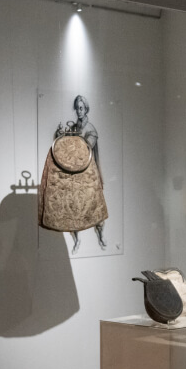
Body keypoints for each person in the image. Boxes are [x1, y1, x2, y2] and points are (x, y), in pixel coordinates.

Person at [68, 95, 106, 253]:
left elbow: (86, 148)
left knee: (95, 207)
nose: (79, 111)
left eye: (81, 108)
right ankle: (76, 240)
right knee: (73, 207)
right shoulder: (73, 128)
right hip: (76, 174)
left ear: (86, 109)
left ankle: (100, 237)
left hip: (89, 175)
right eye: (77, 108)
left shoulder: (91, 129)